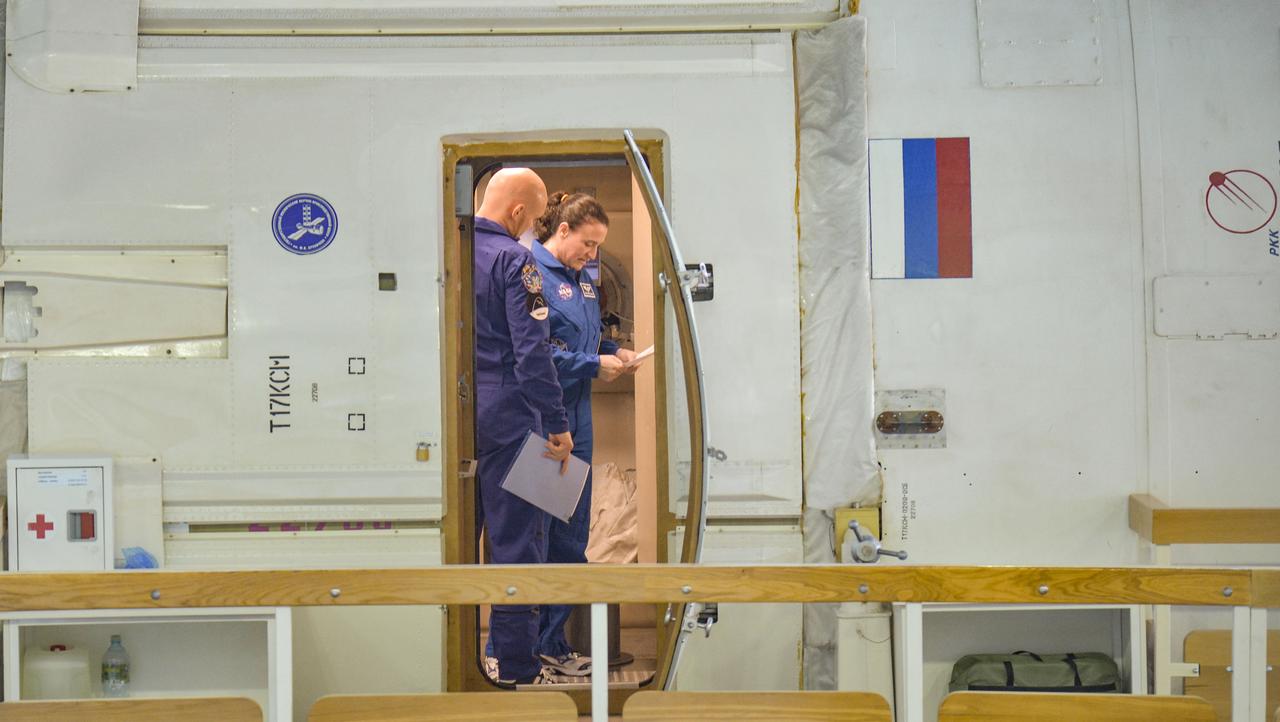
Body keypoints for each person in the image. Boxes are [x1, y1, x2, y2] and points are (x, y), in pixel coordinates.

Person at [473, 168, 573, 686]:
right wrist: (557, 422)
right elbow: (532, 352)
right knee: (516, 544)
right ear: (517, 212)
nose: (532, 228)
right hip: (512, 419)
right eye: (533, 219)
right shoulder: (517, 260)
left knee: (457, 543)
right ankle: (516, 670)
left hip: (459, 419)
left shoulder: (448, 252)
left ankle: (463, 663)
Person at [530, 192, 637, 676]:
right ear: (563, 231)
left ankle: (554, 645)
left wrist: (615, 351)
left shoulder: (584, 284)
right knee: (540, 536)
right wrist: (594, 365)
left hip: (579, 420)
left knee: (572, 539)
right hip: (546, 423)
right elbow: (536, 354)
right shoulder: (532, 274)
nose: (592, 255)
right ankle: (526, 648)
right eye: (587, 244)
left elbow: (586, 339)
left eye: (598, 247)